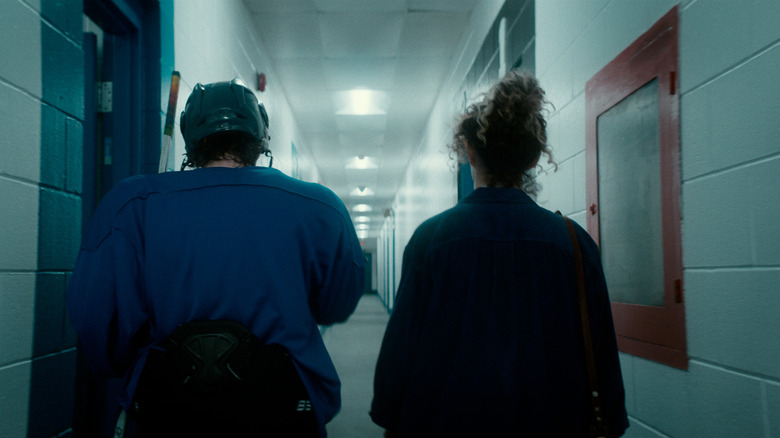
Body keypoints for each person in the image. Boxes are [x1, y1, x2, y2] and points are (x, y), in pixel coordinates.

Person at [67, 79, 365, 437]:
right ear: (261, 136)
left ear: (191, 137)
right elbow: (335, 304)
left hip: (167, 404)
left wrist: (125, 363)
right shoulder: (319, 206)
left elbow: (95, 313)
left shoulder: (132, 203)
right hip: (284, 405)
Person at [370, 71, 629, 437]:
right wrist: (611, 417)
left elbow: (404, 341)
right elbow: (600, 347)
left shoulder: (431, 239)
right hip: (552, 423)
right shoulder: (573, 243)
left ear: (468, 150)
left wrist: (389, 412)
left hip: (447, 422)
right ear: (535, 157)